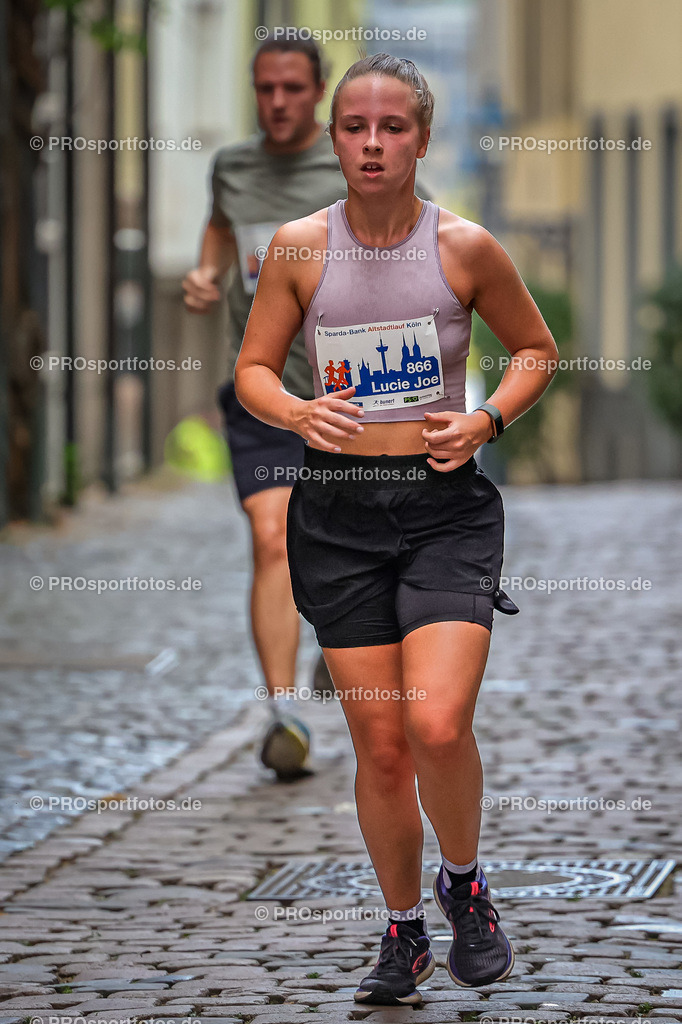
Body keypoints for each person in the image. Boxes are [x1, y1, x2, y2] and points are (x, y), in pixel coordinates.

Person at [234, 54, 559, 1005]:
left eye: (392, 127)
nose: (372, 144)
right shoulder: (299, 247)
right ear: (334, 138)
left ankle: (466, 884)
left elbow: (536, 350)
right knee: (380, 748)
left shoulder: (464, 247)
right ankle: (404, 931)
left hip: (441, 508)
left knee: (437, 721)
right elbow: (254, 371)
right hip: (338, 516)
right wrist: (297, 412)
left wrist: (486, 419)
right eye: (354, 128)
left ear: (421, 138)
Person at [182, 37, 347, 781]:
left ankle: (338, 642)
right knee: (271, 534)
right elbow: (221, 225)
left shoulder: (353, 164)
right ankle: (285, 715)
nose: (277, 102)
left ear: (318, 91)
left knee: (346, 543)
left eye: (292, 88)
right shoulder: (233, 167)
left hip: (349, 394)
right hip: (264, 390)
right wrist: (205, 272)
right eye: (265, 88)